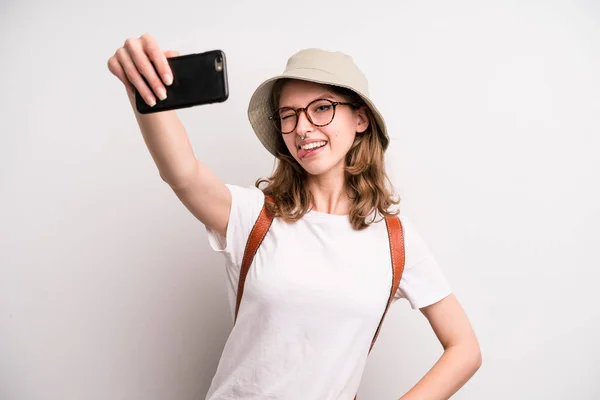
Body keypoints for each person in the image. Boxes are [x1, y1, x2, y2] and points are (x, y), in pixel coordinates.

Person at [108, 33, 482, 400]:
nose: (302, 128)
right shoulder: (254, 216)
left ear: (360, 119)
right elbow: (183, 174)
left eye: (321, 108)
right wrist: (143, 91)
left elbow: (464, 348)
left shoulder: (395, 241)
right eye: (289, 115)